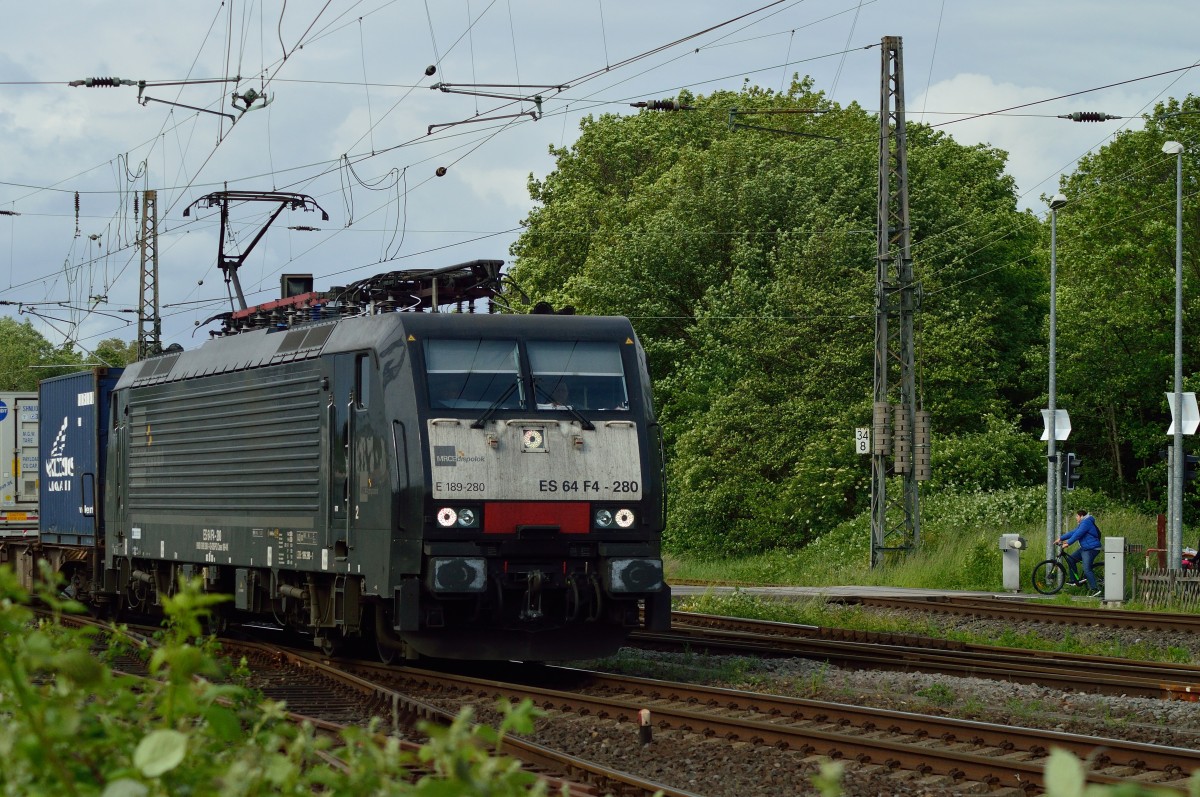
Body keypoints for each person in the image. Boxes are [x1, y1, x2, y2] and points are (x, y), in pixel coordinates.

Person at [1055, 509, 1102, 596]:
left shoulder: (1086, 523)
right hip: (1085, 548)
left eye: (1077, 516)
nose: (1076, 518)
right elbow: (1074, 532)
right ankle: (1075, 580)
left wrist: (1068, 543)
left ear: (1081, 516)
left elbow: (1078, 534)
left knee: (1086, 569)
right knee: (1070, 559)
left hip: (1092, 549)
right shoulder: (1082, 524)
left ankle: (1095, 589)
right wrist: (1061, 538)